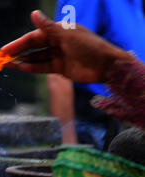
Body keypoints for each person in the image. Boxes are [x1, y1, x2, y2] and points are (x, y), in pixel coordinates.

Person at [1, 10, 145, 131]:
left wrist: (120, 70)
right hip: (93, 120)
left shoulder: (134, 4)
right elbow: (63, 61)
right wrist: (68, 140)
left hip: (124, 115)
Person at [47, 0, 145, 149]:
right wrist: (69, 145)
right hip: (94, 125)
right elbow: (59, 71)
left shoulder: (134, 3)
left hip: (129, 123)